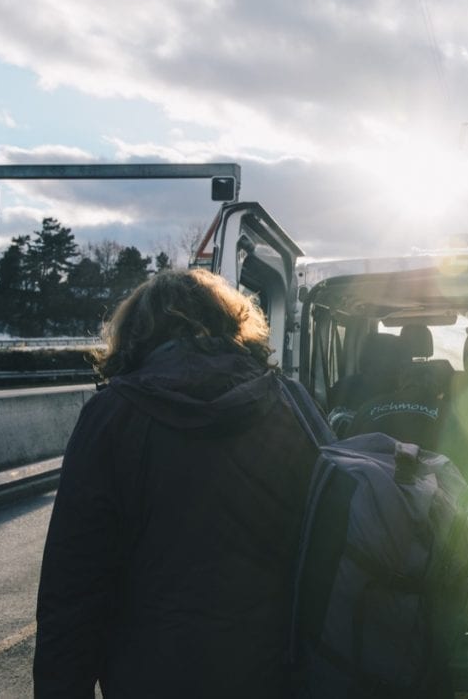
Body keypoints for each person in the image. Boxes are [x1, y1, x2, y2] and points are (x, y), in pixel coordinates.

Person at [33, 269, 318, 698]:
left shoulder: (111, 416)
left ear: (135, 335)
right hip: (272, 670)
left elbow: (74, 581)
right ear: (235, 323)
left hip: (149, 675)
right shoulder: (291, 405)